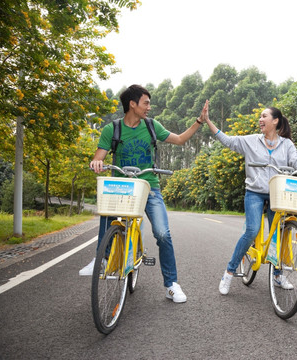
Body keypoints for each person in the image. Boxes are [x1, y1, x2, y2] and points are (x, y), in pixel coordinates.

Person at [79, 84, 206, 303]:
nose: (149, 107)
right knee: (107, 214)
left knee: (163, 234)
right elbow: (98, 157)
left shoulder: (151, 126)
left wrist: (199, 121)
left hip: (148, 186)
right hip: (121, 187)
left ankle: (171, 285)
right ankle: (102, 259)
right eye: (146, 103)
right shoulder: (113, 129)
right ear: (132, 104)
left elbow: (179, 140)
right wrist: (96, 163)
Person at [198, 101, 297, 295]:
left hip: (277, 194)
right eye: (260, 117)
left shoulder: (286, 144)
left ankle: (277, 274)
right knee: (252, 230)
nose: (260, 120)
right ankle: (229, 272)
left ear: (275, 121)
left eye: (264, 116)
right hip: (254, 192)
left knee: (278, 232)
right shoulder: (251, 141)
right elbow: (227, 141)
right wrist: (208, 121)